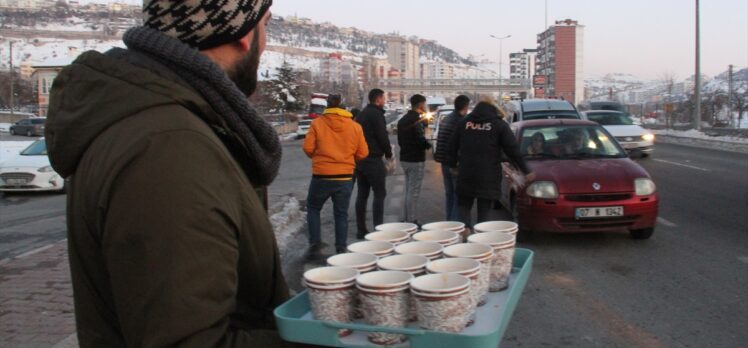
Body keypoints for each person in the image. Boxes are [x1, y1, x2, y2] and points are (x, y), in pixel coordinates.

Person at [44, 2, 303, 346]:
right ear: (242, 33)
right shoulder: (168, 146)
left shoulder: (159, 120)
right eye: (265, 24)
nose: (265, 40)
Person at [448, 99, 535, 229]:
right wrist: (526, 170)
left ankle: (465, 234)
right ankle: (481, 238)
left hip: (466, 174)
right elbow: (512, 149)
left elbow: (452, 146)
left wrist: (452, 165)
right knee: (484, 213)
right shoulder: (499, 125)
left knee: (464, 208)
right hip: (487, 177)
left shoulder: (464, 123)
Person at [303, 95, 368, 258]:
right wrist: (348, 160)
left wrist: (320, 158)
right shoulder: (354, 126)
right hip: (345, 176)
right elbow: (363, 152)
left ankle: (315, 242)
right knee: (341, 213)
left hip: (321, 176)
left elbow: (308, 148)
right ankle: (341, 247)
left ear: (327, 107)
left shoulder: (317, 123)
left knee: (313, 208)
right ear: (344, 108)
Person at [355, 89, 393, 239]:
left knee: (362, 194)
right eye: (383, 97)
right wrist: (389, 154)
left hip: (360, 160)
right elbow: (382, 136)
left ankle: (361, 229)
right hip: (373, 159)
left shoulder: (362, 114)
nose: (384, 100)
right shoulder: (376, 114)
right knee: (380, 193)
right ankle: (379, 229)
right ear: (378, 99)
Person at [434, 95, 470, 221]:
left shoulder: (446, 119)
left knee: (449, 194)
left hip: (444, 162)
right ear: (465, 107)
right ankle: (454, 224)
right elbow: (461, 145)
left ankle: (449, 221)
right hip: (454, 163)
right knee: (457, 196)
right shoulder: (461, 122)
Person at [397, 94, 432, 226]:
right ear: (421, 105)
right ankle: (411, 221)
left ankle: (406, 217)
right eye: (424, 103)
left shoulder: (403, 120)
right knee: (414, 191)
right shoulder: (416, 120)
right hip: (415, 159)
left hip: (404, 158)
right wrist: (428, 144)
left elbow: (400, 140)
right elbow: (420, 140)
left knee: (408, 190)